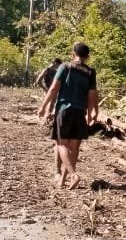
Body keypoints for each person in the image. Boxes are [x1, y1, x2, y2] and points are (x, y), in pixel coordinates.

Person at [36, 42, 99, 189]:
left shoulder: (65, 67)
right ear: (87, 56)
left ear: (73, 54)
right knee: (74, 148)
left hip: (64, 109)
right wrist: (92, 113)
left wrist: (43, 107)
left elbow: (53, 89)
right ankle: (63, 181)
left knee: (61, 144)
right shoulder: (90, 72)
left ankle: (73, 175)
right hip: (80, 112)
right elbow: (92, 95)